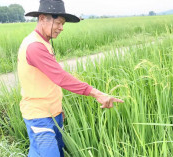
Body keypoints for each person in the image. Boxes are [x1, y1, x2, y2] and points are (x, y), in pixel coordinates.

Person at [17, 0, 124, 156]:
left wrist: (58, 109)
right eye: (59, 23)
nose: (61, 28)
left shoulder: (43, 42)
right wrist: (98, 93)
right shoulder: (34, 46)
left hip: (53, 114)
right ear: (42, 18)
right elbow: (61, 77)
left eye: (63, 24)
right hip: (39, 117)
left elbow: (47, 81)